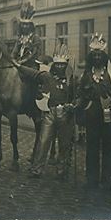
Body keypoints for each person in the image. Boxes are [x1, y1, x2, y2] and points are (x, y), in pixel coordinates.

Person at [12, 44, 75, 179]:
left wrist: (73, 106)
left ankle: (62, 171)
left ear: (66, 65)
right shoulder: (47, 76)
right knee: (43, 141)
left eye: (62, 65)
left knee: (65, 144)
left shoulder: (71, 81)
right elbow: (33, 73)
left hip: (65, 113)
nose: (59, 67)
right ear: (54, 65)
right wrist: (18, 66)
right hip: (49, 114)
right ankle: (37, 169)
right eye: (57, 65)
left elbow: (77, 97)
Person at [76, 33, 111, 191]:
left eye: (99, 54)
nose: (97, 57)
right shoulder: (86, 76)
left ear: (104, 57)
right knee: (92, 148)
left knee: (110, 148)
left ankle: (109, 180)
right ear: (91, 57)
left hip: (108, 116)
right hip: (92, 116)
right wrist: (77, 107)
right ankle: (91, 180)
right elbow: (81, 94)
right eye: (94, 55)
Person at [11, 2, 42, 70]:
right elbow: (15, 51)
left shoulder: (35, 38)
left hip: (31, 66)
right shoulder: (20, 38)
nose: (24, 26)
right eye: (23, 24)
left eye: (26, 24)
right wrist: (12, 59)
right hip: (19, 65)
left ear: (30, 26)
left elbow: (33, 54)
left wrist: (21, 62)